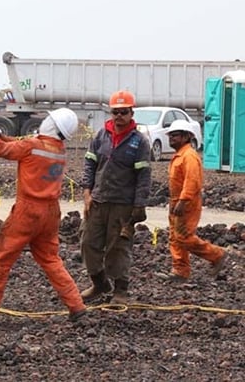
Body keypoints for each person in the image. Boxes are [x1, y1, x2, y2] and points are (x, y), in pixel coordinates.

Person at [0, 108, 87, 322]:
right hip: (51, 212)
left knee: (1, 260)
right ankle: (77, 306)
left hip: (27, 211)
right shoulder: (58, 149)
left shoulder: (33, 146)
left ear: (52, 124)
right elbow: (18, 144)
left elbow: (2, 149)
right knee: (51, 260)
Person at [80, 90, 151, 305]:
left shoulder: (139, 142)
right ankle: (100, 283)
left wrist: (139, 205)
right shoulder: (101, 137)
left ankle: (121, 290)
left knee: (118, 247)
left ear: (131, 113)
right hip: (99, 201)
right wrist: (87, 193)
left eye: (123, 112)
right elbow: (90, 164)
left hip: (123, 204)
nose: (119, 116)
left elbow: (144, 176)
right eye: (115, 112)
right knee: (87, 243)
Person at [159, 120, 228, 281]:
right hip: (177, 202)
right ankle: (180, 271)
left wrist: (183, 201)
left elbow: (192, 181)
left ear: (187, 136)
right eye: (171, 135)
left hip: (187, 203)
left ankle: (216, 255)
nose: (172, 139)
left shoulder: (189, 156)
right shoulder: (179, 156)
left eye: (175, 135)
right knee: (175, 237)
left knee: (184, 237)